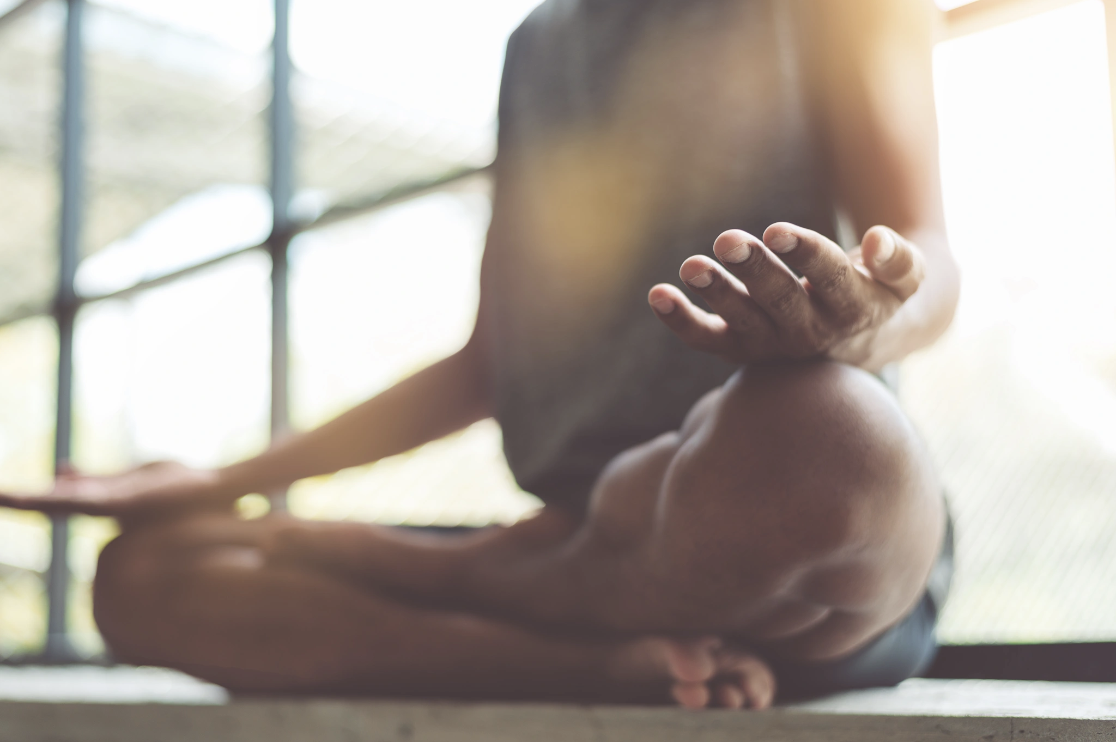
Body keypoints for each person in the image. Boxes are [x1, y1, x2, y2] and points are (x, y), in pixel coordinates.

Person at [0, 0, 959, 707]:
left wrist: (863, 324)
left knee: (832, 438)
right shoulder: (540, 45)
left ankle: (483, 589)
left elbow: (932, 266)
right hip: (578, 546)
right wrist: (222, 482)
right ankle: (601, 669)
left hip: (761, 547)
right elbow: (487, 361)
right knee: (145, 579)